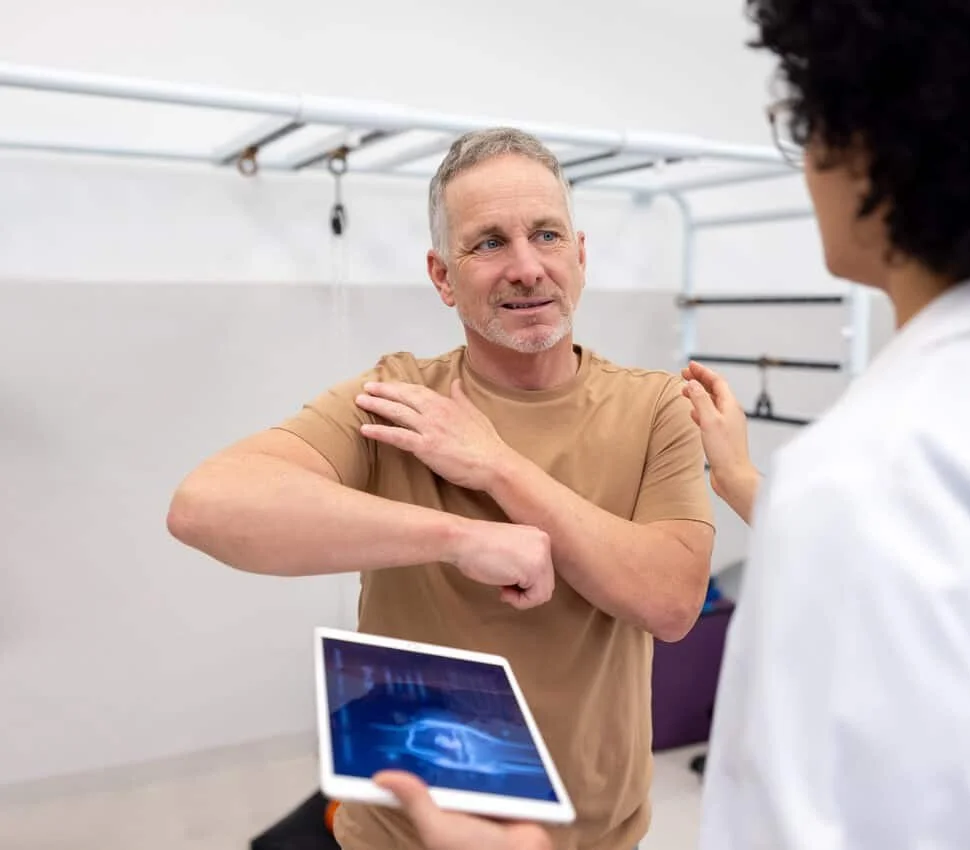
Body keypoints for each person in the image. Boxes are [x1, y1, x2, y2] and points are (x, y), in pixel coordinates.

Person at [371, 0, 970, 848]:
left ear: (873, 145)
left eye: (806, 120)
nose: (805, 158)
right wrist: (738, 478)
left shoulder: (868, 471)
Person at [165, 127, 716, 850]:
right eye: (488, 243)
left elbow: (670, 601)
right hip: (397, 835)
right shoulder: (396, 400)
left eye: (546, 235)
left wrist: (497, 468)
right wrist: (461, 537)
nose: (526, 268)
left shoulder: (653, 408)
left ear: (579, 255)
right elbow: (205, 504)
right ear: (441, 275)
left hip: (588, 836)